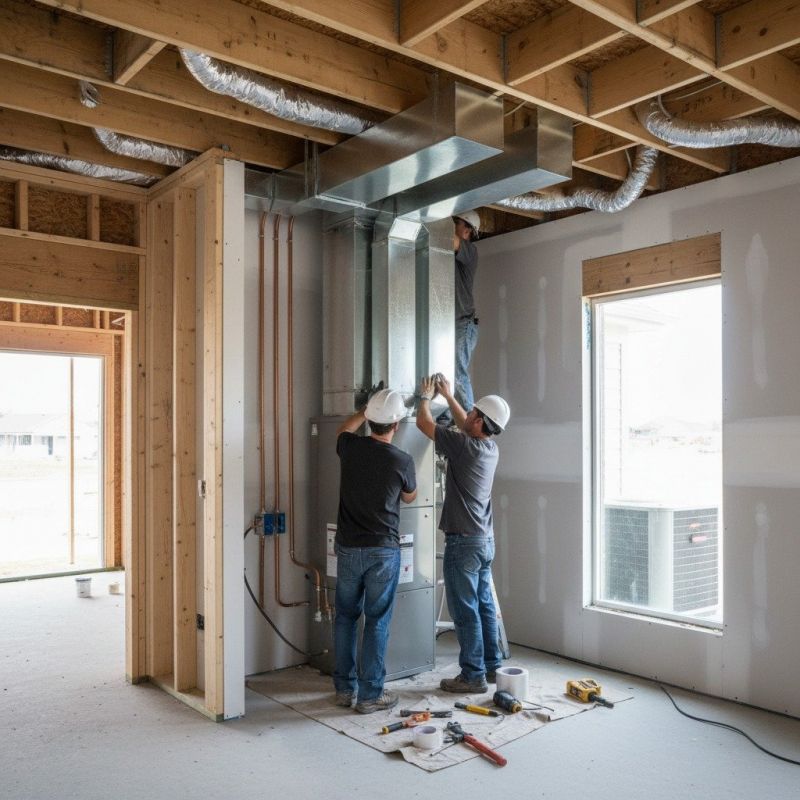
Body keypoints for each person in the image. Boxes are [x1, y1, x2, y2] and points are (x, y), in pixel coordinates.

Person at [416, 374, 510, 694]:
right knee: (483, 604)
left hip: (463, 543)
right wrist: (449, 393)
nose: (467, 415)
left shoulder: (463, 446)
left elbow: (424, 425)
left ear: (481, 423)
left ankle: (472, 675)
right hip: (484, 542)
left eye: (473, 414)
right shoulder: (489, 448)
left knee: (465, 610)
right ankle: (492, 665)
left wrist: (426, 397)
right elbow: (465, 422)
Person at [333, 388, 417, 713]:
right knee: (377, 620)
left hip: (349, 548)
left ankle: (344, 689)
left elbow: (342, 430)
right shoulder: (402, 460)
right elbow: (410, 497)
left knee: (345, 617)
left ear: (368, 420)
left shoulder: (349, 448)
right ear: (396, 424)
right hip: (383, 551)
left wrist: (362, 409)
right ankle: (370, 696)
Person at [450, 211, 481, 418]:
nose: (453, 226)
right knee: (445, 372)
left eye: (456, 223)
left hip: (464, 324)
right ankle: (447, 415)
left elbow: (450, 239)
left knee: (458, 374)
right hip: (451, 325)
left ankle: (470, 418)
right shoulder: (448, 256)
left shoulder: (470, 251)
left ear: (467, 230)